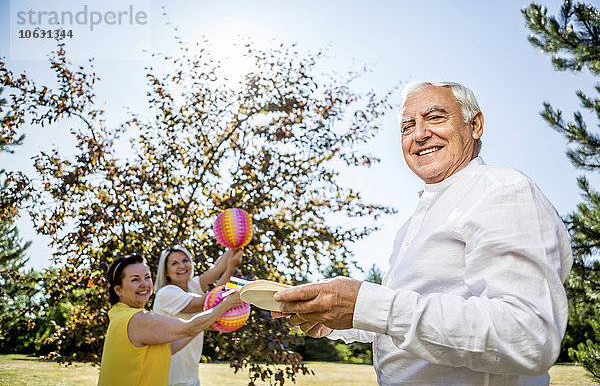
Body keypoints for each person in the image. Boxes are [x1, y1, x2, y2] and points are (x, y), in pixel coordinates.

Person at [272, 81, 573, 386]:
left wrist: (368, 304)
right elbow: (399, 318)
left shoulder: (503, 189)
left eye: (435, 118)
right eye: (407, 125)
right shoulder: (412, 224)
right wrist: (332, 317)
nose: (418, 134)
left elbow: (527, 335)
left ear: (475, 125)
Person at [97, 254, 241, 386]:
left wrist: (202, 326)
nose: (144, 284)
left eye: (147, 277)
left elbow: (169, 347)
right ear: (118, 290)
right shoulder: (136, 319)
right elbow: (189, 326)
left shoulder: (120, 314)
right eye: (135, 279)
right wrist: (228, 302)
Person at [153, 245, 243, 386]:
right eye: (174, 263)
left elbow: (218, 268)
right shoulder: (166, 293)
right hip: (170, 378)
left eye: (185, 260)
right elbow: (209, 303)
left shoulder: (192, 286)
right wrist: (230, 272)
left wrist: (235, 245)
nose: (181, 266)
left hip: (191, 378)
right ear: (166, 272)